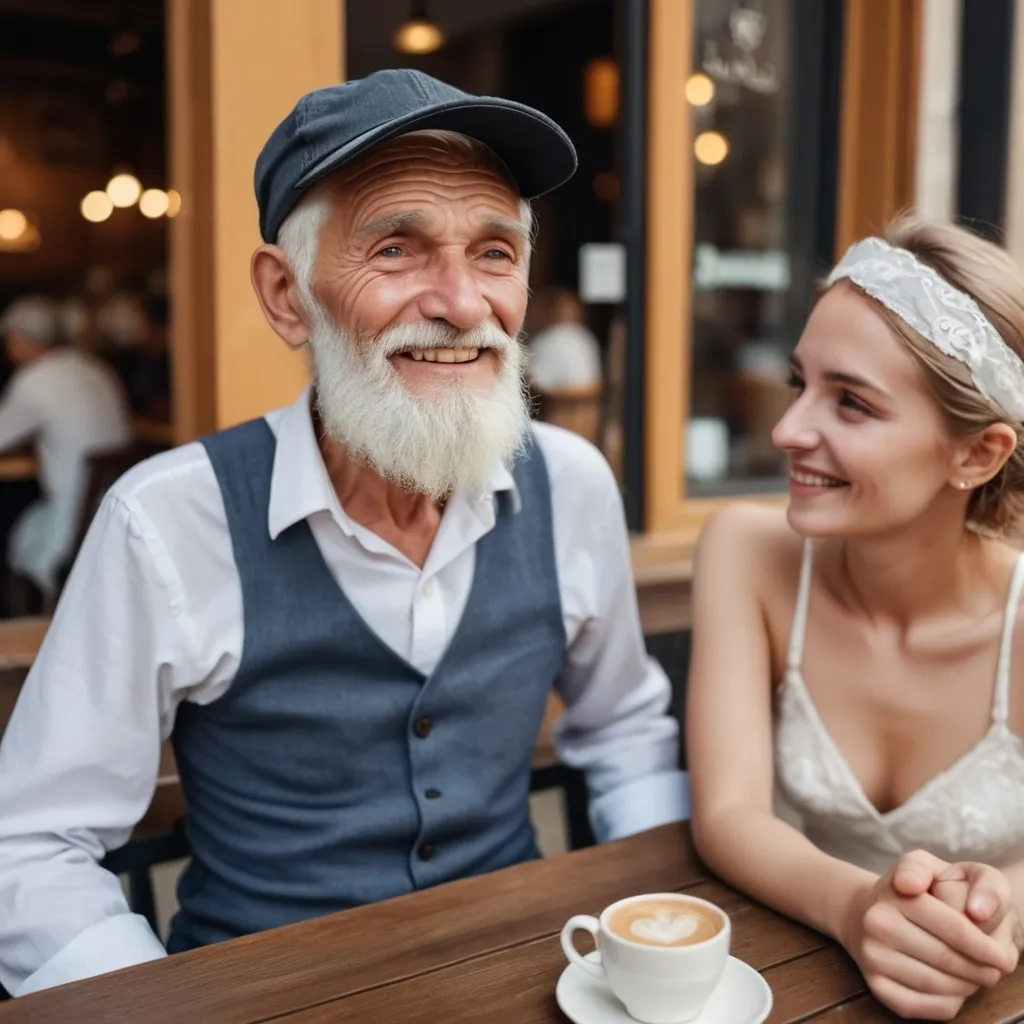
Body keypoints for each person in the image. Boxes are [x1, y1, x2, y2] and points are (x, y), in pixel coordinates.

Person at [0, 69, 689, 997]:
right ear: (286, 297)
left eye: (494, 252)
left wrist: (653, 952)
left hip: (529, 984)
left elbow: (624, 732)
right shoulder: (167, 519)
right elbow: (29, 844)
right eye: (398, 250)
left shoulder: (571, 484)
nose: (461, 302)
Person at [686, 216, 1024, 1021]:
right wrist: (854, 907)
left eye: (852, 404)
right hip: (796, 977)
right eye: (799, 383)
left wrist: (1002, 901)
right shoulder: (745, 553)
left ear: (976, 454)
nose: (788, 430)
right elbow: (729, 813)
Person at [0, 295, 131, 599]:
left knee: (9, 518)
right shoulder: (95, 368)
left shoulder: (36, 380)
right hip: (112, 512)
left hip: (69, 523)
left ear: (19, 339)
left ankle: (21, 624)